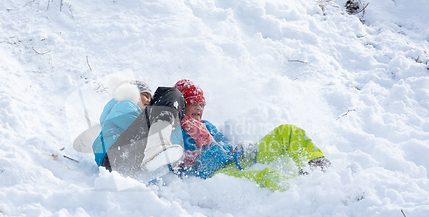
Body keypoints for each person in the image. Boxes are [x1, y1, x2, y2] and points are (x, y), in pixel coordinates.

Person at [173, 79, 331, 191]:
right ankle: (301, 194)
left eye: (202, 104)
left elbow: (224, 143)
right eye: (193, 103)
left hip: (237, 160)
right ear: (180, 105)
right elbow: (182, 168)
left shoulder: (206, 126)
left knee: (287, 131)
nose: (199, 108)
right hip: (218, 175)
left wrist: (240, 148)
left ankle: (317, 170)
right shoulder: (175, 132)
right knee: (268, 176)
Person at [93, 78, 187, 179]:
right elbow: (130, 125)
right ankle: (157, 145)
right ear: (132, 94)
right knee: (170, 94)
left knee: (172, 104)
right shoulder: (125, 104)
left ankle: (157, 148)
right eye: (145, 95)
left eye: (150, 97)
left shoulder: (122, 112)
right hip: (115, 156)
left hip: (121, 160)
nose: (149, 100)